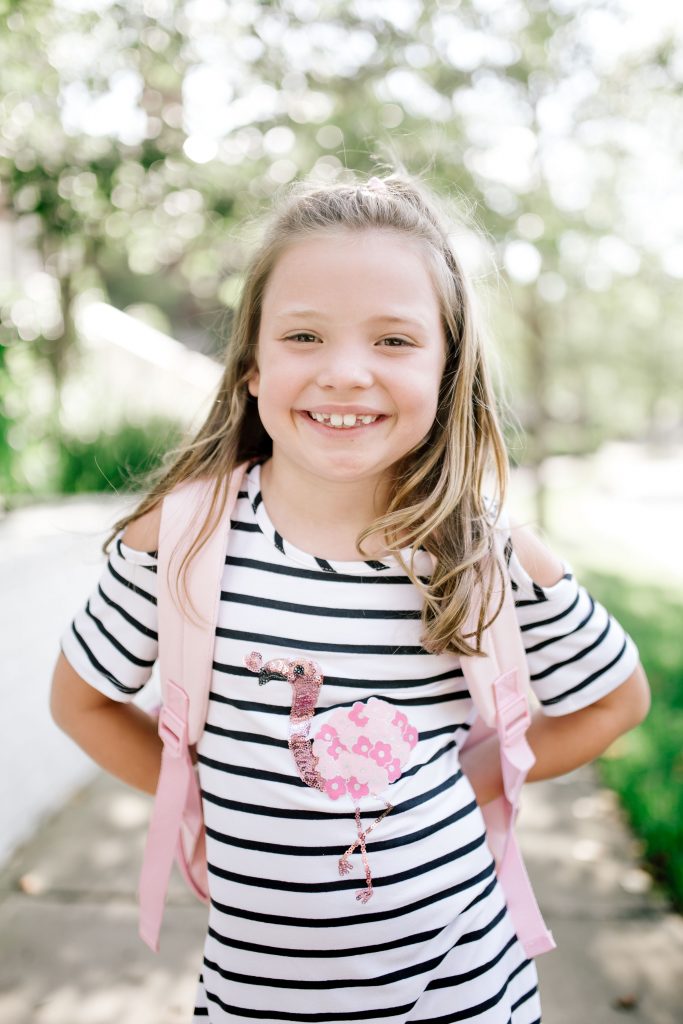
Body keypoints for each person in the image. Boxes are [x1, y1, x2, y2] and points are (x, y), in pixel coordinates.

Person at [50, 174, 650, 1024]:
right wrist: (206, 798)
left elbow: (616, 700)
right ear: (252, 366)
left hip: (463, 995)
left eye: (394, 340)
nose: (344, 373)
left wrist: (463, 782)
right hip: (257, 998)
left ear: (446, 368)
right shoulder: (180, 539)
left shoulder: (484, 556)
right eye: (303, 335)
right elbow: (80, 702)